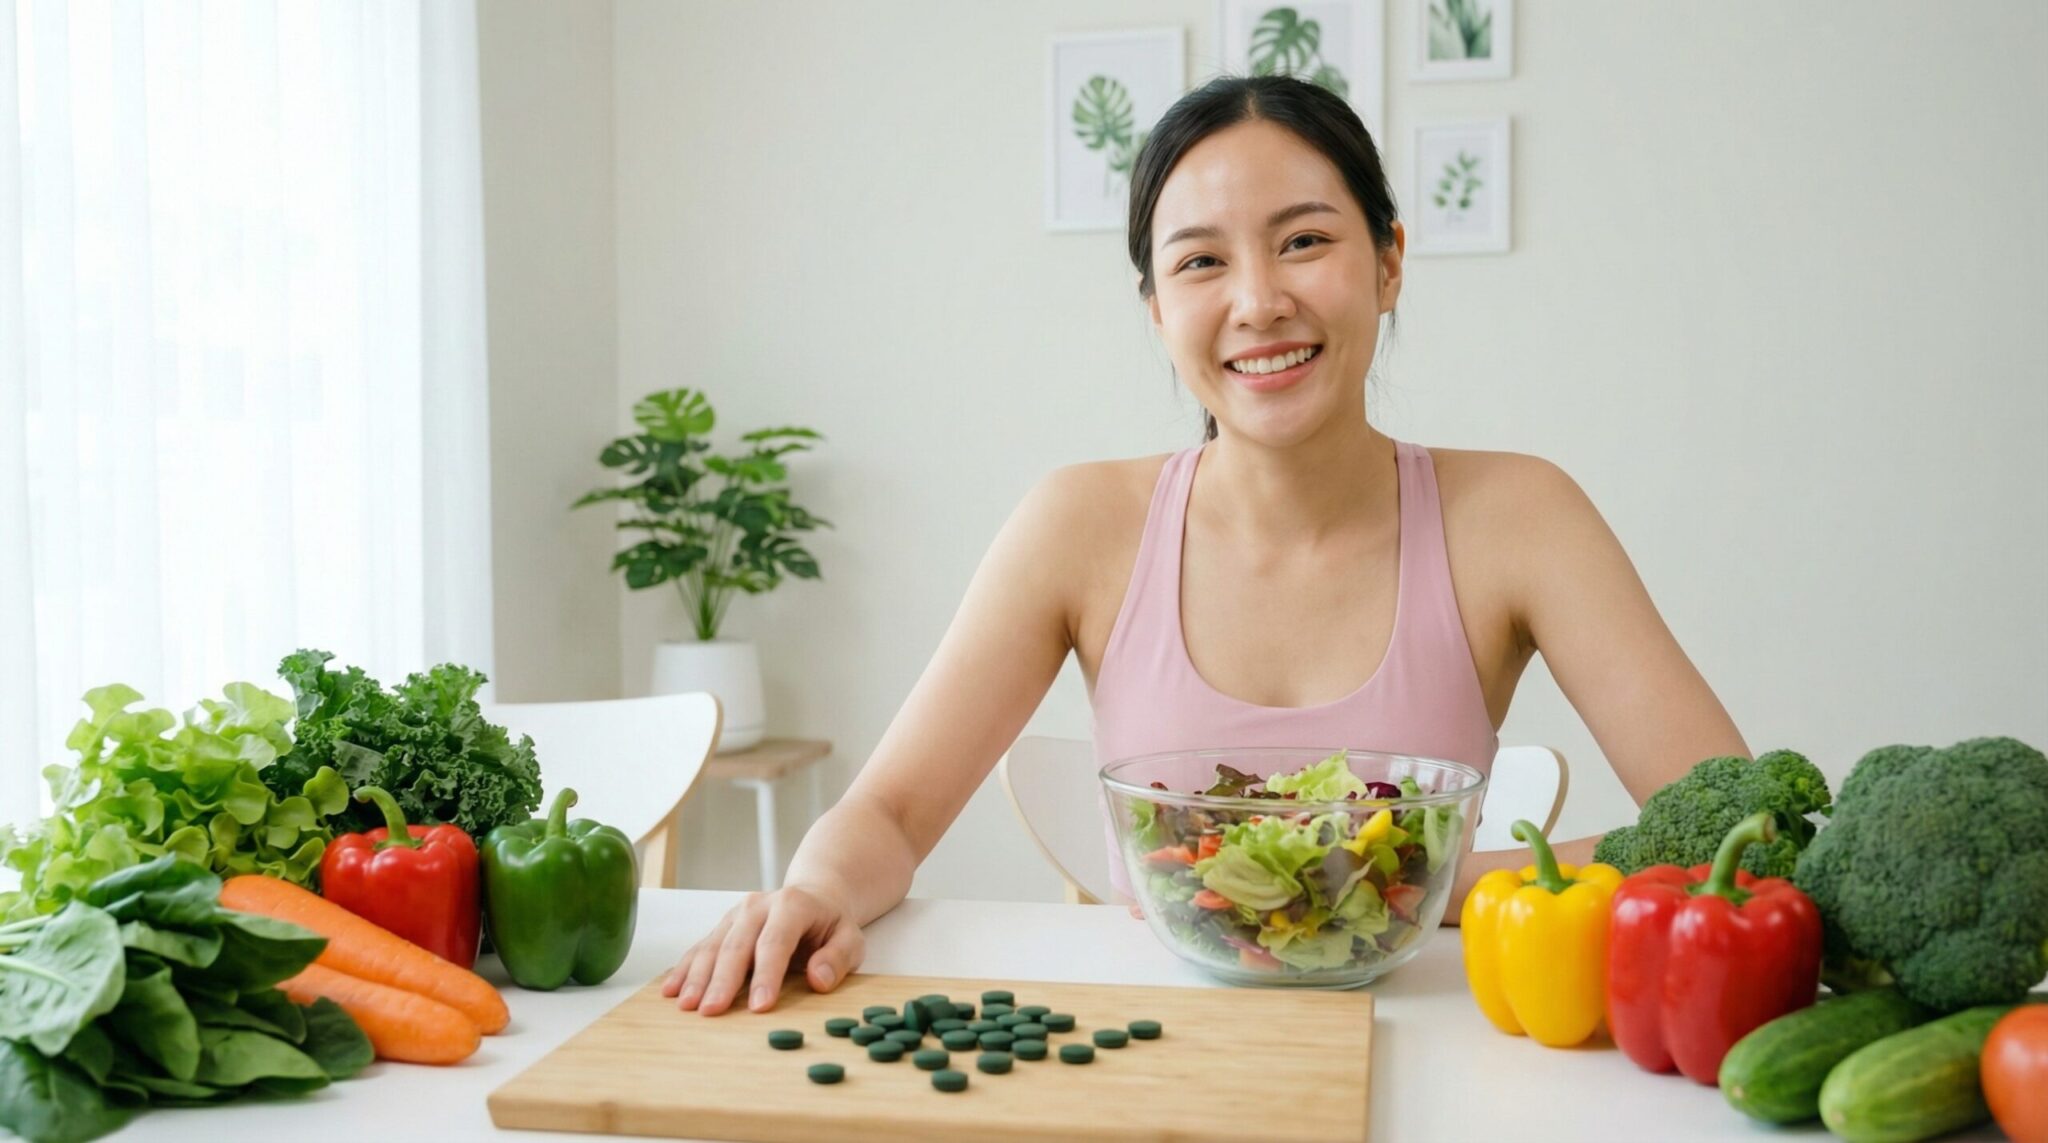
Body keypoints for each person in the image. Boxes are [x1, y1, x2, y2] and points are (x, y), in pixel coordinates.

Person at [662, 74, 1746, 1016]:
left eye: (1304, 241)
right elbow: (891, 814)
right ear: (1153, 308)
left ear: (1388, 263)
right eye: (1198, 263)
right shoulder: (1077, 524)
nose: (1258, 302)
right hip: (1160, 1052)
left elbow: (1729, 818)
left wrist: (1430, 878)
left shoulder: (1518, 514)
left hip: (1436, 1046)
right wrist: (808, 894)